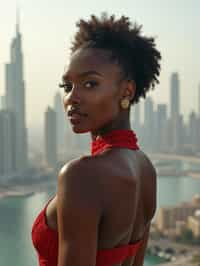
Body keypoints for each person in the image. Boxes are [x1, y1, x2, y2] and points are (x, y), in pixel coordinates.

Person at [32, 13, 161, 266]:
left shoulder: (81, 175)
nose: (71, 98)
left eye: (90, 84)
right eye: (67, 86)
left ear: (127, 91)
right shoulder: (146, 169)